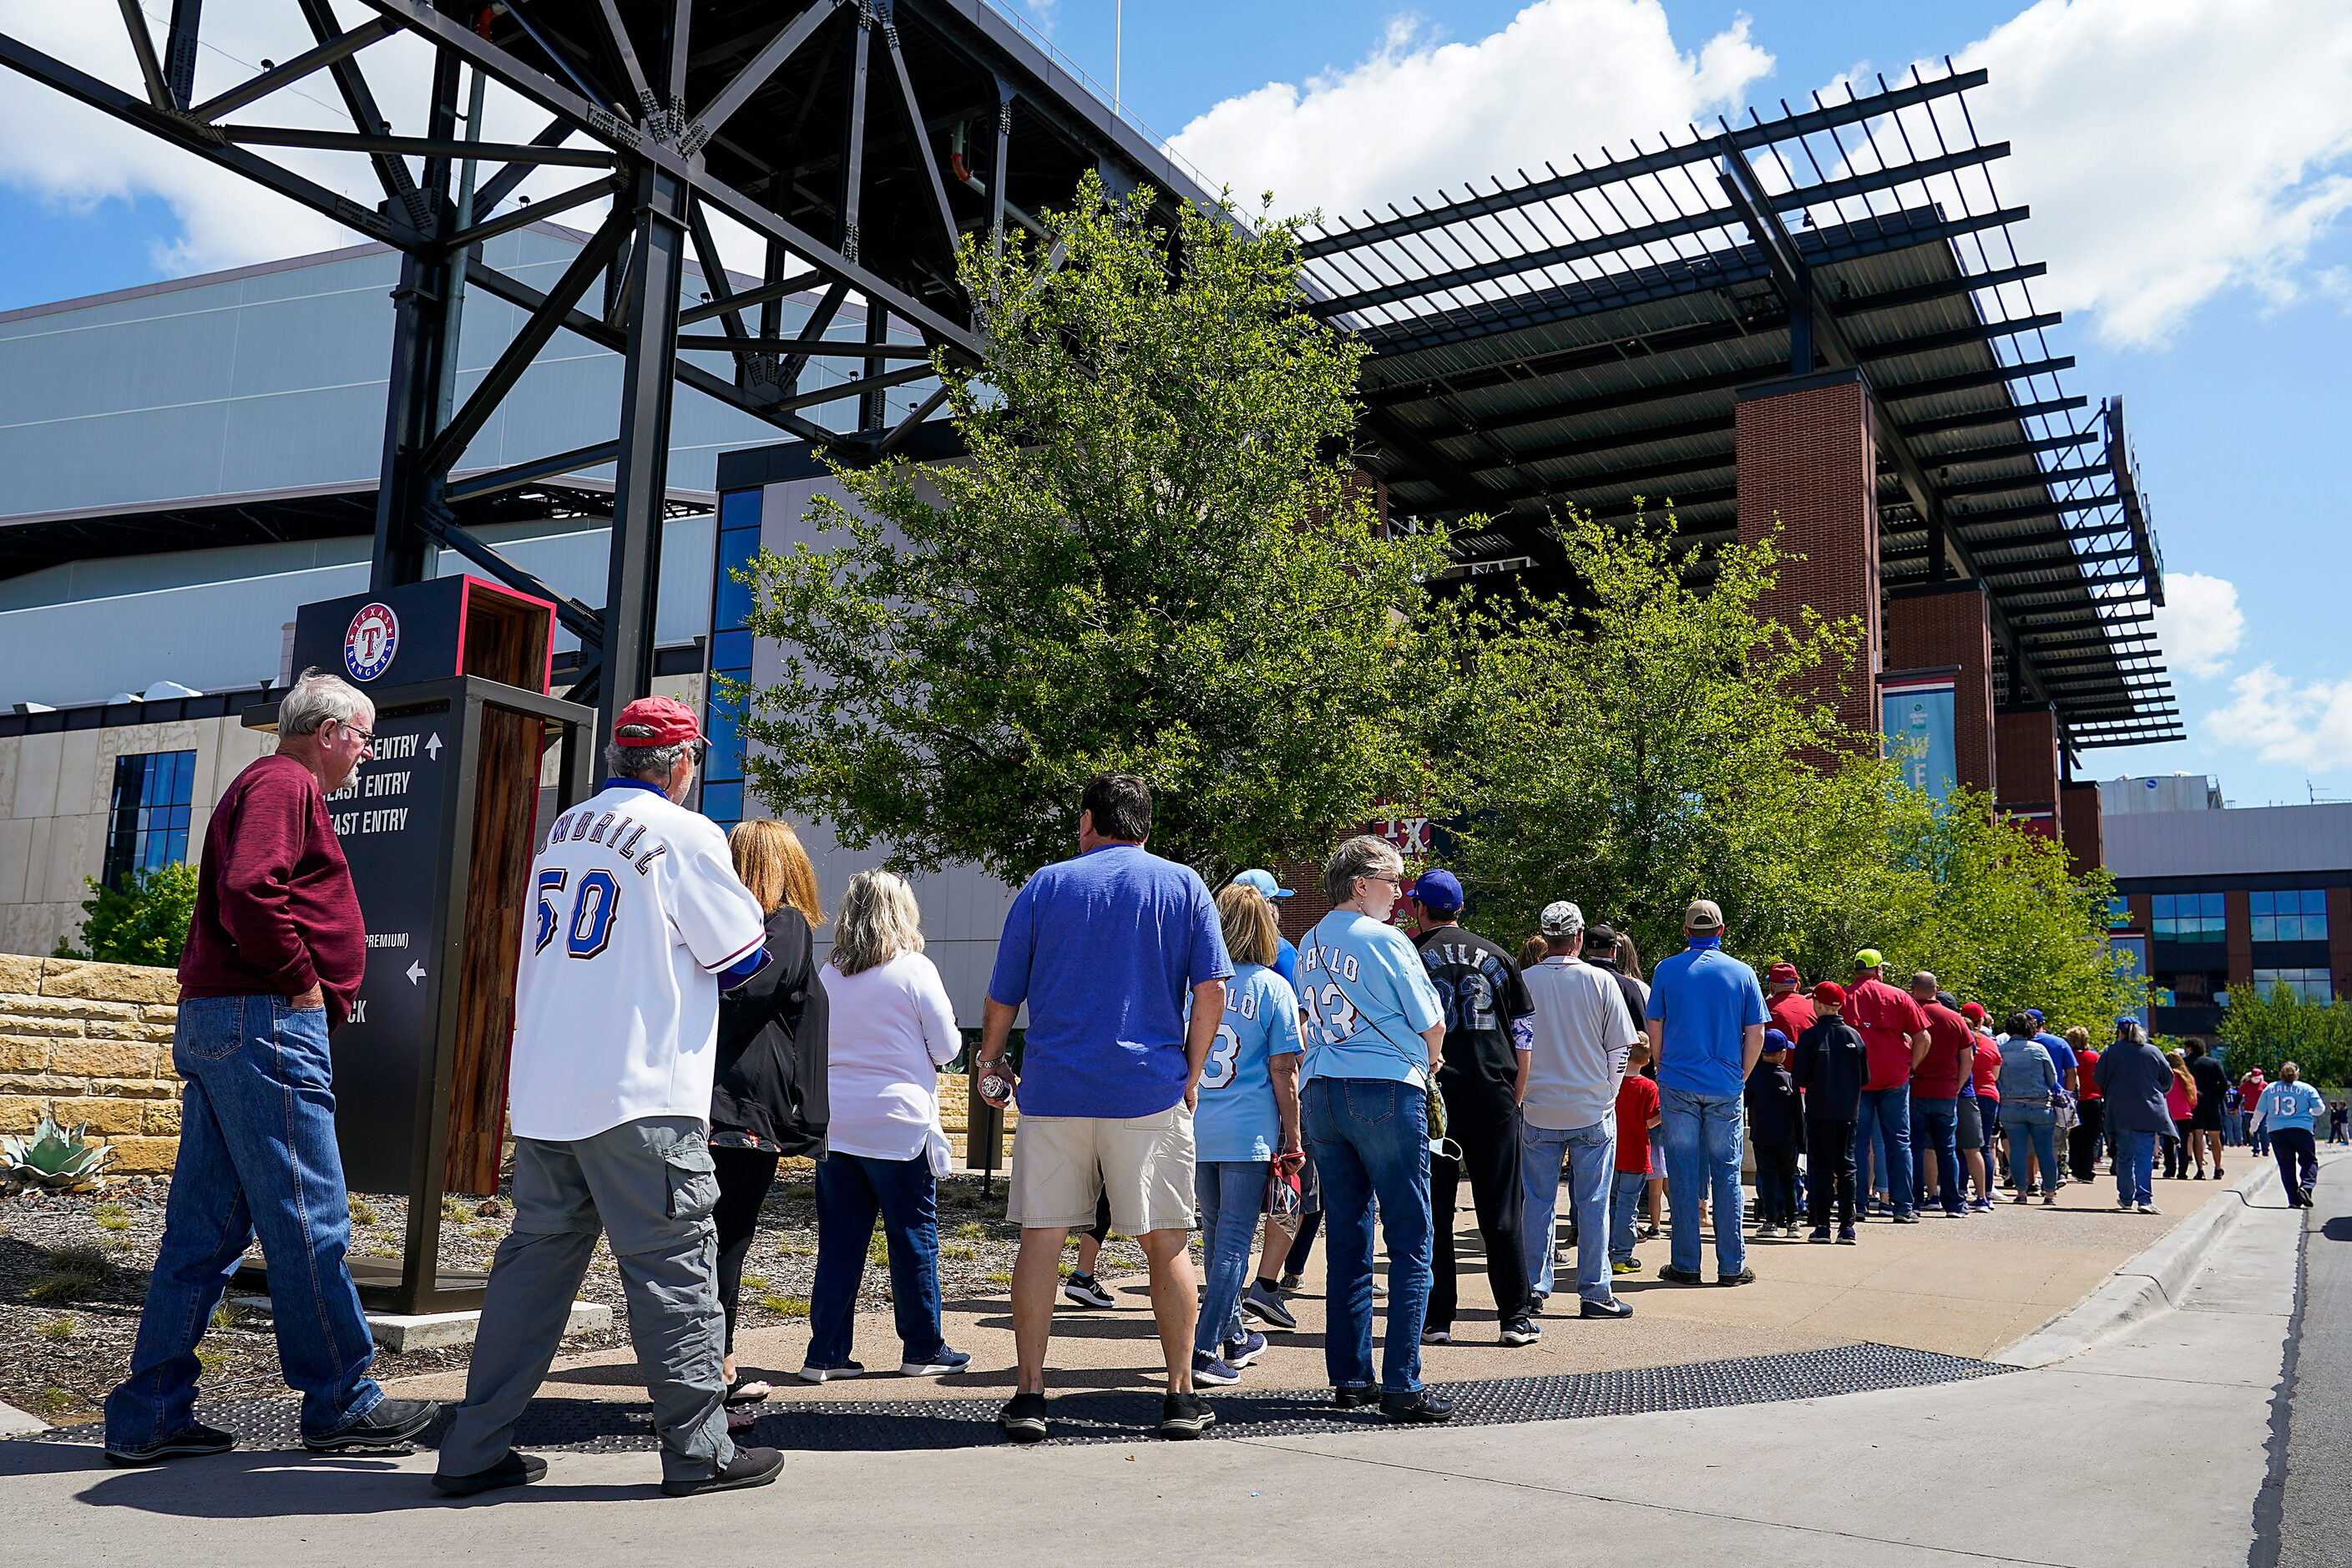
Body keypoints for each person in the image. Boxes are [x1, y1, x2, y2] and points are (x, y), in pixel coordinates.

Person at [436, 696, 777, 1499]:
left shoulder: (564, 829)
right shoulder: (688, 833)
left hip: (550, 1091)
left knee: (530, 1276)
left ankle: (473, 1448)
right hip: (643, 1091)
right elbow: (743, 961)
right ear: (682, 763)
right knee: (673, 1273)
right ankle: (700, 1452)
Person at [104, 670, 438, 1467]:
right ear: (327, 732)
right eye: (361, 738)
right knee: (308, 1216)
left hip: (226, 1020)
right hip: (264, 1023)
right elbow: (252, 890)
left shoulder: (269, 783)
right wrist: (300, 984)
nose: (364, 754)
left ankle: (151, 1412)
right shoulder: (285, 784)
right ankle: (342, 1402)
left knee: (203, 1233)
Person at [974, 775, 1232, 1444]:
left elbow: (1004, 992)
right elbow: (1211, 991)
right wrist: (1192, 1072)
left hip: (1055, 1091)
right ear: (1146, 826)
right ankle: (1178, 1397)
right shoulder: (1183, 885)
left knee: (1042, 1239)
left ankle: (1029, 1394)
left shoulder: (1046, 885)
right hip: (1148, 1088)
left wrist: (991, 1061)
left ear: (1088, 820)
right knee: (1165, 1241)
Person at [1297, 836, 1454, 1420]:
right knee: (1412, 1238)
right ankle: (1401, 1383)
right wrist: (1431, 1057)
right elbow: (1430, 1020)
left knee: (1347, 1237)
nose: (1400, 894)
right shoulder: (1384, 939)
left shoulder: (1309, 941)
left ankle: (1350, 1375)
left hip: (1323, 1089)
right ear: (1361, 885)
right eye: (1392, 882)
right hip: (1385, 1086)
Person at [801, 870, 969, 1384]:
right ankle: (922, 1347)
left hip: (837, 1125)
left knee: (839, 1243)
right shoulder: (915, 970)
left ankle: (825, 1353)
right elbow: (947, 1049)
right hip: (898, 1125)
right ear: (903, 913)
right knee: (913, 1237)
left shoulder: (829, 975)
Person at [709, 819, 831, 1408]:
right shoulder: (783, 925)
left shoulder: (715, 929)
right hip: (742, 1111)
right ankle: (716, 1371)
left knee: (704, 1238)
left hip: (708, 1100)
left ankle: (716, 1361)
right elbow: (748, 999)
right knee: (727, 1239)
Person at [1406, 870, 1538, 1344]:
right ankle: (1515, 1316)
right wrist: (1516, 1092)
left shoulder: (1412, 956)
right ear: (1460, 908)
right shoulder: (1499, 956)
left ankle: (1437, 1317)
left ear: (1419, 907)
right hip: (1494, 1092)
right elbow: (1524, 1038)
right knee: (1501, 1207)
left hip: (1434, 1096)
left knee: (1435, 1209)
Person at [1190, 883, 1302, 1385]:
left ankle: (1233, 1332)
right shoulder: (1274, 988)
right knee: (1235, 1242)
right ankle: (1203, 1346)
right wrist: (1294, 1137)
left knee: (1215, 1237)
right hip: (1248, 1132)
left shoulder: (1196, 984)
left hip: (1196, 1126)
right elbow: (1285, 1072)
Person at [1519, 900, 1640, 1320]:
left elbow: (1515, 1047)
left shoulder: (1524, 981)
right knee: (1593, 1202)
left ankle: (1533, 1287)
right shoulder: (1601, 982)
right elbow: (1620, 1047)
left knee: (1536, 1202)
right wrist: (1607, 1093)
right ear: (1579, 938)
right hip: (1591, 1108)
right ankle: (1594, 1291)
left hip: (1537, 1108)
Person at [1646, 899, 1768, 1285]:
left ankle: (1686, 1263)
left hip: (1679, 1080)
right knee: (1727, 1173)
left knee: (1682, 1171)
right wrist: (1741, 1076)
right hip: (1725, 1084)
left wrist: (1663, 1066)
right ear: (1721, 930)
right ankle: (1732, 1265)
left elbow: (1655, 1024)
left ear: (1686, 931)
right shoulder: (1743, 973)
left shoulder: (1667, 970)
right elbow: (1757, 1033)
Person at [1588, 924, 1662, 1238]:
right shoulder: (1629, 987)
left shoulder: (1572, 981)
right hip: (1619, 1076)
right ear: (1613, 951)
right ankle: (1619, 1239)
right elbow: (1640, 1031)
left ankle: (1585, 1228)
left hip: (1581, 1081)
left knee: (1588, 1171)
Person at [1795, 983, 1867, 1243]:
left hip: (1819, 1110)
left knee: (1822, 1167)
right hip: (1849, 1110)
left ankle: (1822, 1225)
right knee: (1847, 1167)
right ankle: (1847, 1226)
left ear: (1820, 1004)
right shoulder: (1854, 1036)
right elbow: (1865, 1077)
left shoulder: (1811, 1037)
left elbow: (1799, 1076)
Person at [1906, 973, 1970, 1219]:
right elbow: (1968, 1057)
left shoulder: (1909, 1013)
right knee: (1946, 1148)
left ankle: (1912, 1201)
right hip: (1945, 1091)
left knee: (1913, 1147)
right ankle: (1954, 1203)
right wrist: (1957, 1085)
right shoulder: (1955, 1018)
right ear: (1937, 989)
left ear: (1913, 990)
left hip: (1915, 1089)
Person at [2094, 1018, 2170, 1214]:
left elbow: (2099, 1079)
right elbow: (2168, 1079)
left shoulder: (2110, 1052)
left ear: (2119, 1032)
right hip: (2147, 1110)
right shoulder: (2153, 1051)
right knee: (2144, 1156)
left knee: (2124, 1156)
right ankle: (2144, 1199)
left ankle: (2126, 1197)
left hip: (2119, 1110)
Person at [1996, 1012, 2063, 1207]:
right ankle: (2050, 1193)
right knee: (2045, 1150)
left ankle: (2021, 1192)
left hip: (2010, 1105)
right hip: (2040, 1106)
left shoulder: (2001, 1050)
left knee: (2017, 1150)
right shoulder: (2039, 1049)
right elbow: (2052, 1079)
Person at [1608, 1039, 1662, 1273]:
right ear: (1647, 1061)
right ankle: (1621, 1255)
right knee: (1628, 1207)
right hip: (1637, 1153)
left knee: (1609, 1204)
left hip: (1611, 1152)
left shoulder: (1612, 1082)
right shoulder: (1649, 1087)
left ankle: (1606, 1250)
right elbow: (1651, 1122)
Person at [1745, 1030, 1804, 1236]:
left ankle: (1770, 1222)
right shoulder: (1789, 1079)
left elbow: (1746, 1104)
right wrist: (1802, 1142)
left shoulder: (1752, 1079)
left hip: (1762, 1135)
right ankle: (1793, 1221)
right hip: (1787, 1139)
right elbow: (1799, 1114)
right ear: (1782, 1054)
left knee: (1768, 1178)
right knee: (1788, 1179)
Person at [2254, 1065, 2326, 1206]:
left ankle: (2294, 1200)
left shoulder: (2270, 1088)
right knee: (2308, 1160)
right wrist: (2309, 1112)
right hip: (2302, 1129)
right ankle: (2306, 1186)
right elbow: (2320, 1109)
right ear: (2297, 1074)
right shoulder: (2307, 1089)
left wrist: (2253, 1126)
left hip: (2276, 1130)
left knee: (2286, 1165)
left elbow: (2260, 1110)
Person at [1967, 1008, 2003, 1206]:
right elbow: (1995, 1075)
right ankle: (1986, 1191)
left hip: (1965, 1094)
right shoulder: (1990, 1043)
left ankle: (1961, 1189)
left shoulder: (1960, 1039)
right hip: (1988, 1095)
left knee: (1962, 1145)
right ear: (1980, 1021)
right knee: (1984, 1147)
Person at [2184, 1040, 2228, 1180]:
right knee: (2215, 1137)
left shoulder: (2185, 1063)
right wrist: (2218, 1099)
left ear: (2190, 1048)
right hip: (2212, 1103)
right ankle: (2218, 1167)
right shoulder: (2213, 1063)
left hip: (2195, 1103)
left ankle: (2200, 1170)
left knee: (2198, 1136)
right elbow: (2223, 1083)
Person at [2068, 1026, 2106, 1183]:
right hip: (2093, 1099)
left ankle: (2076, 1167)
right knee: (2091, 1138)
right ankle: (2087, 1169)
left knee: (2074, 1136)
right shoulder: (2094, 1057)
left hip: (2075, 1100)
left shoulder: (2069, 1056)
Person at [1763, 963, 1813, 1055]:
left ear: (1772, 986)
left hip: (1777, 1067)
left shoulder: (1763, 1009)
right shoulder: (1815, 1006)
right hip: (1813, 1067)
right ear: (1798, 985)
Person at [2162, 1050, 2197, 1181]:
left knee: (2167, 1144)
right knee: (2182, 1144)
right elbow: (2193, 1101)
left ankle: (2169, 1170)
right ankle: (2182, 1172)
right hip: (2185, 1114)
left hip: (2168, 1114)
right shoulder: (2188, 1078)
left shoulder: (2166, 1076)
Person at [2242, 1067, 2271, 1157]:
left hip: (2263, 1112)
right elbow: (2239, 1095)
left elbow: (2270, 1097)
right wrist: (2235, 1107)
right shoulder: (2246, 1085)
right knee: (2252, 1131)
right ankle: (2255, 1149)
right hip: (2249, 1112)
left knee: (2264, 1130)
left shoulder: (2265, 1085)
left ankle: (2265, 1149)